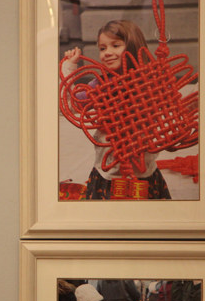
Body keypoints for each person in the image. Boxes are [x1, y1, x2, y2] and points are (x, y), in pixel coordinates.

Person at [60, 20, 171, 199]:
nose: (107, 53)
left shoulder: (150, 83)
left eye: (115, 45)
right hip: (108, 175)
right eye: (102, 48)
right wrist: (69, 68)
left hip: (145, 173)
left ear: (133, 45)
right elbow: (70, 105)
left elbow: (172, 111)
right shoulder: (99, 85)